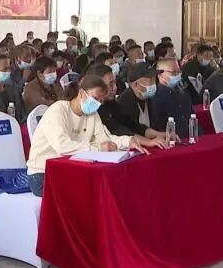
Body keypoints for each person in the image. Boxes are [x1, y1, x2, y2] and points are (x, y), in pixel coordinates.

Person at [26, 73, 163, 197]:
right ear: (81, 94)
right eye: (95, 98)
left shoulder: (92, 113)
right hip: (43, 174)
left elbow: (105, 138)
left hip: (72, 170)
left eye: (101, 101)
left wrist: (129, 141)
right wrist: (97, 149)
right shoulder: (58, 110)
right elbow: (63, 147)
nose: (97, 104)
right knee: (90, 193)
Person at [113, 63, 164, 139]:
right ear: (135, 84)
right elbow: (132, 130)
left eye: (154, 80)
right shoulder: (124, 103)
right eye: (150, 81)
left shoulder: (150, 99)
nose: (154, 84)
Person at [152, 57, 192, 140]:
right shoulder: (155, 97)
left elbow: (191, 117)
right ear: (160, 74)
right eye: (173, 72)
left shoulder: (183, 93)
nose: (177, 75)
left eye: (179, 72)